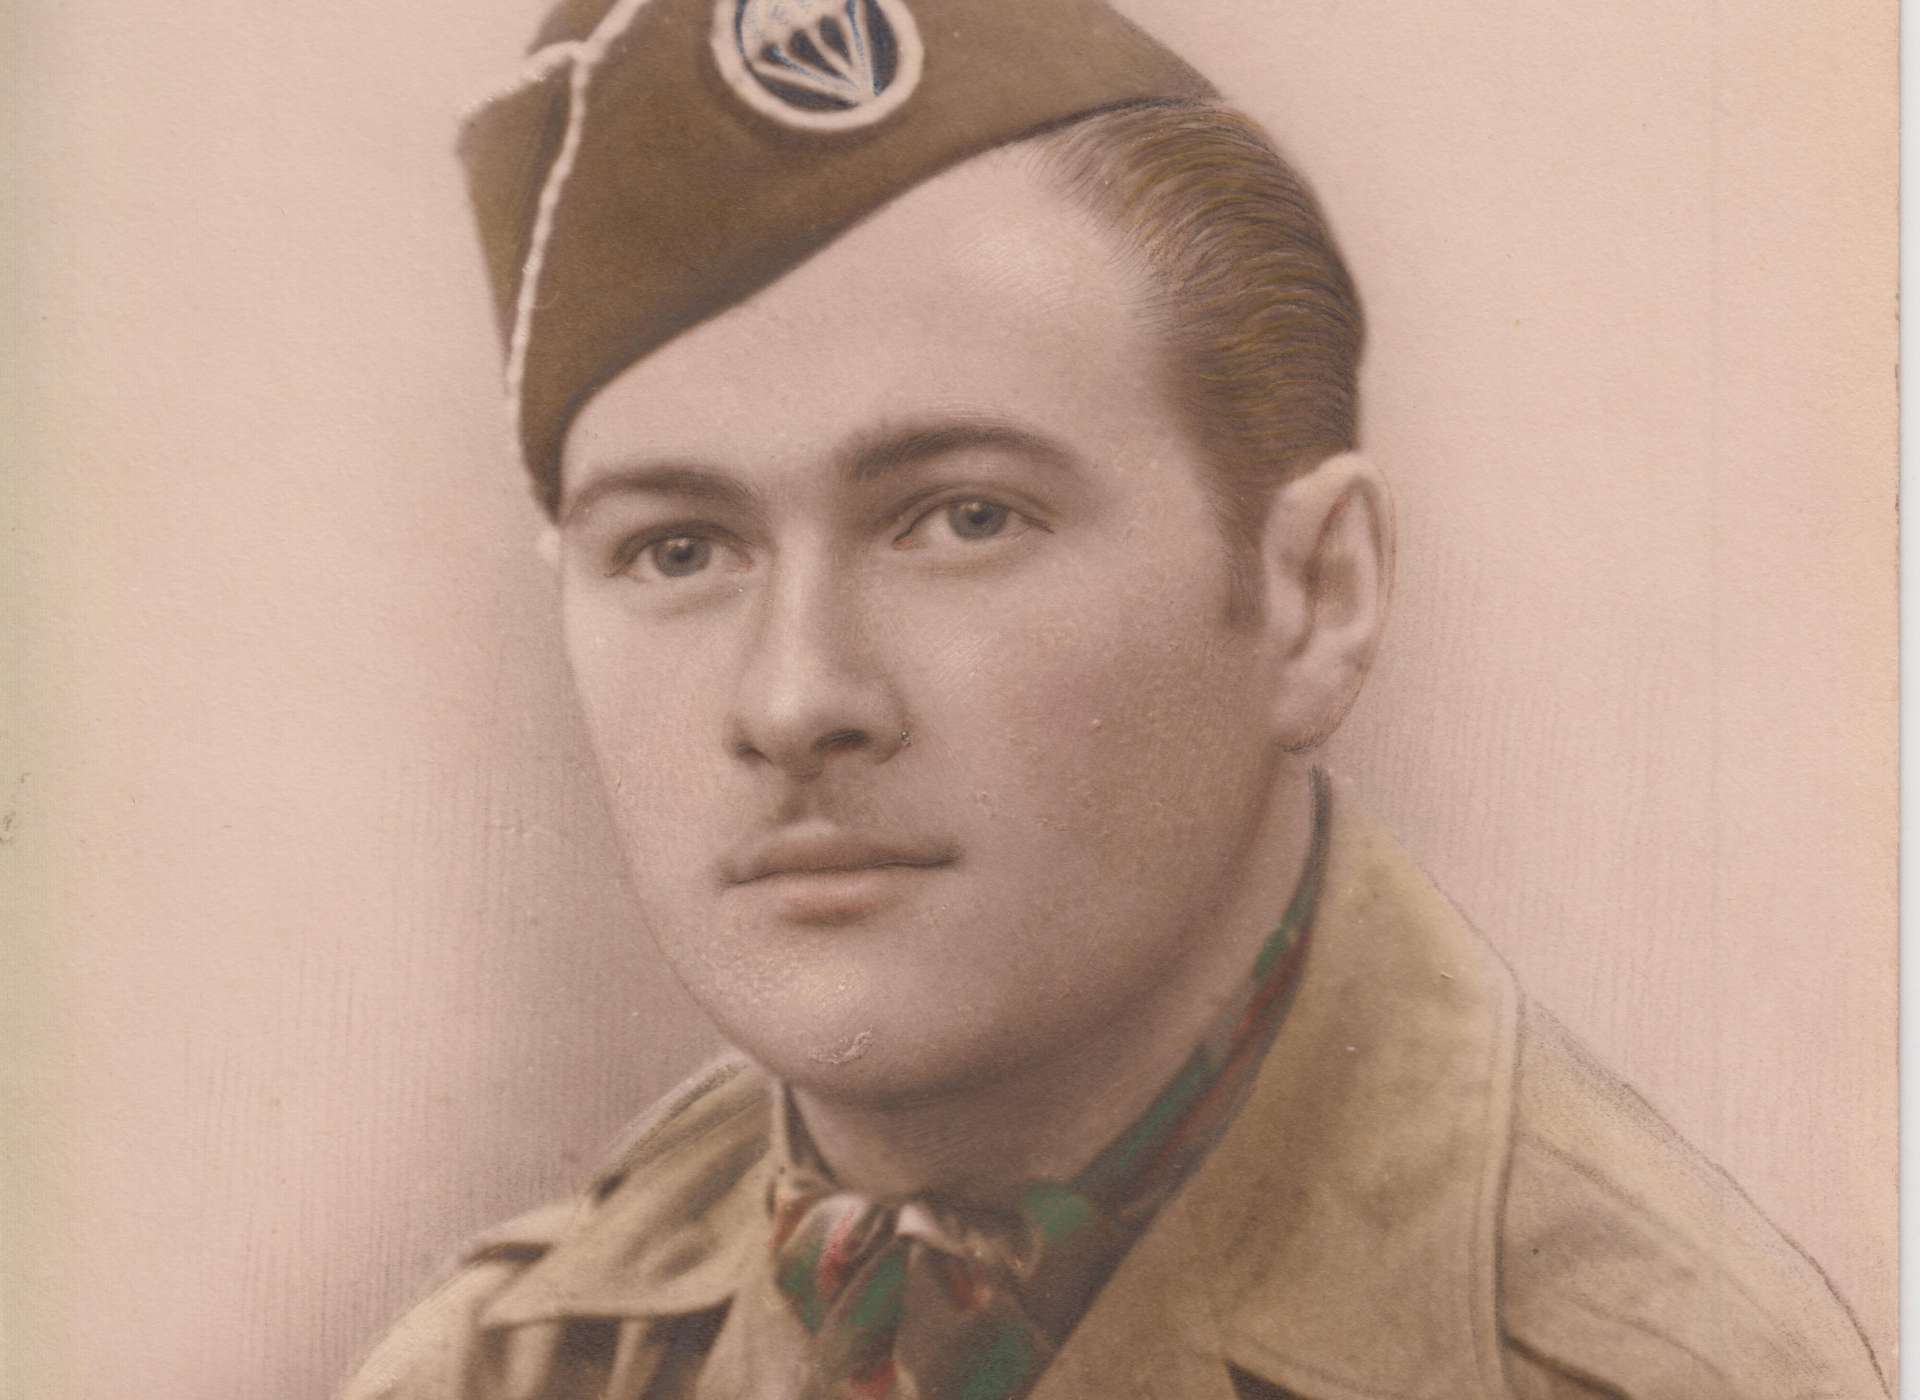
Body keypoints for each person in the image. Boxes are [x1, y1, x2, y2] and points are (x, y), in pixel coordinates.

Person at [344, 1, 1887, 1396]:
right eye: (677, 549)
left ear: (1313, 596)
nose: (798, 696)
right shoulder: (503, 1370)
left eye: (964, 519)